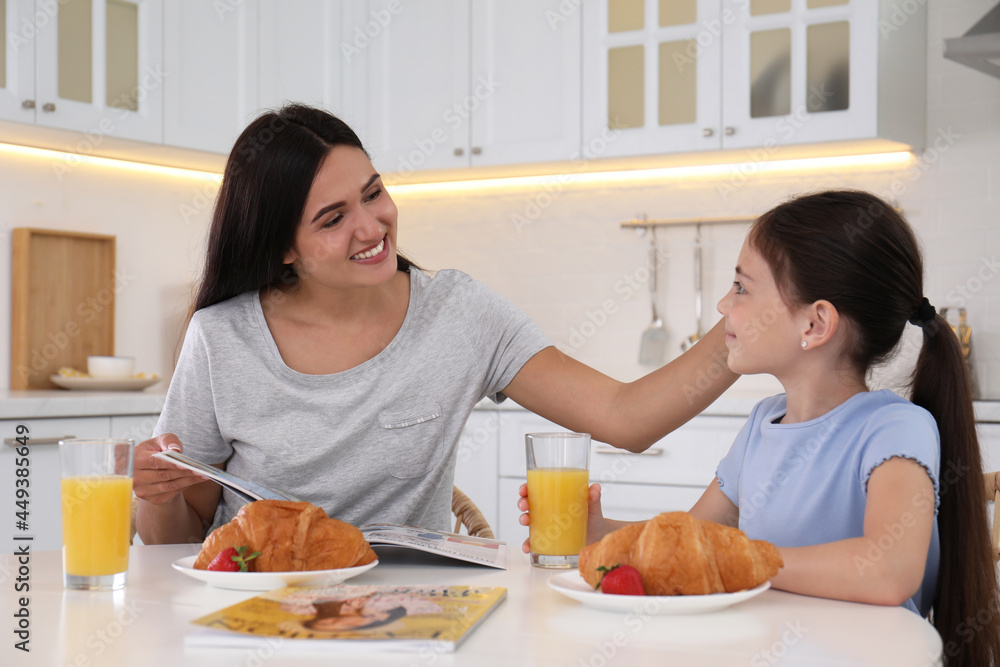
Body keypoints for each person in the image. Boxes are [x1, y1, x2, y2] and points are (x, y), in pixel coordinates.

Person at [134, 104, 738, 546]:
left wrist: (745, 323)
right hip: (251, 606)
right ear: (283, 248)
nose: (371, 227)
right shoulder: (222, 337)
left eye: (374, 194)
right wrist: (154, 493)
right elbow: (175, 545)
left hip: (404, 612)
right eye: (333, 218)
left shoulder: (458, 314)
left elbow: (625, 419)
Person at [520, 190, 999, 666]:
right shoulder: (762, 424)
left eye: (743, 288)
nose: (724, 305)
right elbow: (692, 541)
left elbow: (888, 571)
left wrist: (747, 560)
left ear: (815, 324)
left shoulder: (894, 428)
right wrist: (601, 533)